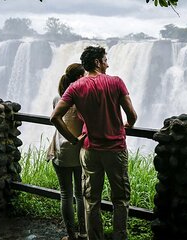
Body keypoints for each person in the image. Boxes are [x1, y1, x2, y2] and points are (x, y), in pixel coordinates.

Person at [50, 46, 137, 240]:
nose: (108, 63)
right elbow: (132, 115)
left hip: (89, 150)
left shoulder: (75, 87)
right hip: (115, 149)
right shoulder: (116, 82)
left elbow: (55, 117)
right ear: (97, 62)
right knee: (120, 199)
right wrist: (128, 124)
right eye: (106, 60)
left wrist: (73, 139)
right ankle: (119, 237)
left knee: (91, 200)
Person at [47, 63, 87, 240]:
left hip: (61, 150)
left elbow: (57, 119)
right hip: (79, 150)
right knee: (80, 195)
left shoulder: (58, 97)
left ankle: (71, 236)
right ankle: (84, 234)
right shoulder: (84, 98)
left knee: (66, 195)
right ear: (79, 78)